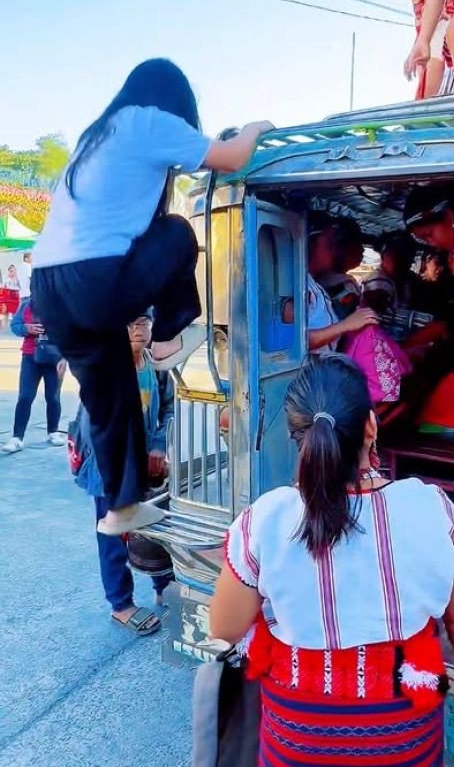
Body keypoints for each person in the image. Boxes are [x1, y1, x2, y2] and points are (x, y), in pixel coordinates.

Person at [210, 355, 454, 767]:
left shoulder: (266, 519)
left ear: (297, 436)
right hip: (401, 741)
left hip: (302, 742)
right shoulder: (431, 510)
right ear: (371, 425)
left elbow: (224, 627)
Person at [31, 58, 273, 537]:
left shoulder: (94, 138)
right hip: (92, 280)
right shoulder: (147, 121)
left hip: (49, 287)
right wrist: (255, 126)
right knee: (179, 233)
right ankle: (165, 339)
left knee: (110, 394)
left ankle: (122, 507)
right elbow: (231, 157)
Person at [75, 310, 174, 635]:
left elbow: (168, 408)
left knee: (155, 525)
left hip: (147, 466)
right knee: (114, 536)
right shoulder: (104, 371)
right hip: (109, 470)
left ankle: (164, 586)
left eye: (144, 322)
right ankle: (120, 604)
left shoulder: (155, 367)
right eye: (130, 322)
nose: (139, 328)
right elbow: (96, 430)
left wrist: (158, 445)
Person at [283, 214, 377, 353]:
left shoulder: (312, 282)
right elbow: (296, 340)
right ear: (310, 243)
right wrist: (347, 324)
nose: (334, 250)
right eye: (329, 243)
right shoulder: (294, 286)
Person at [1, 298, 65, 454]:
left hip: (54, 359)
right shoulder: (26, 305)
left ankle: (53, 431)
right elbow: (15, 326)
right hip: (30, 357)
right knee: (25, 396)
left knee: (53, 397)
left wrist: (65, 357)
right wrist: (26, 328)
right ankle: (17, 438)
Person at [317, 216, 364, 320]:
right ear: (339, 248)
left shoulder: (317, 279)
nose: (362, 250)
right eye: (356, 244)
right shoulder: (345, 287)